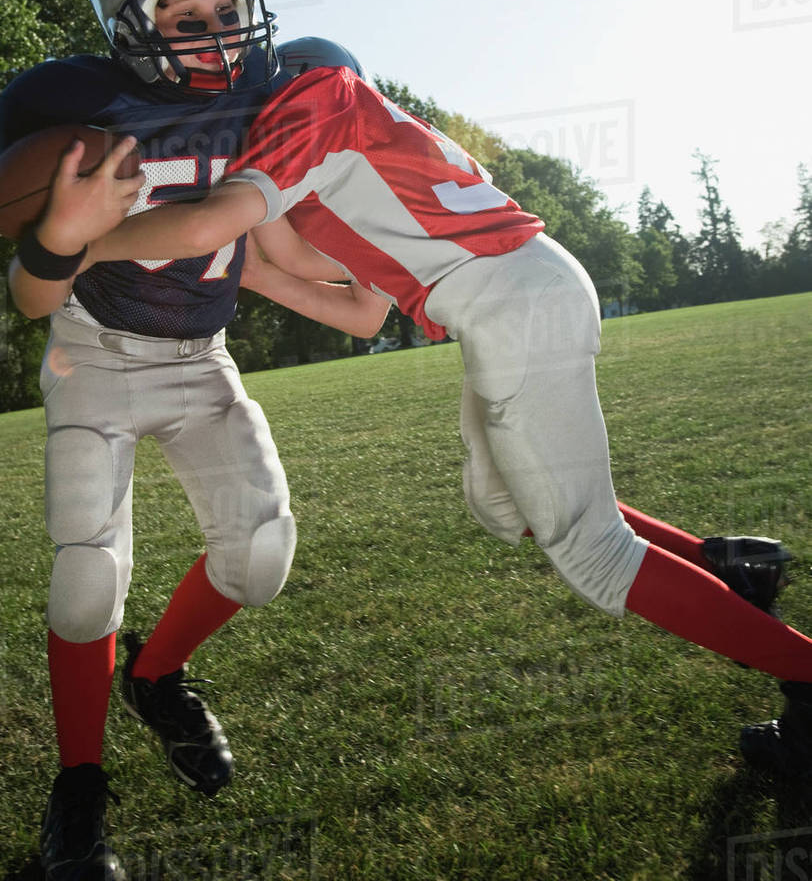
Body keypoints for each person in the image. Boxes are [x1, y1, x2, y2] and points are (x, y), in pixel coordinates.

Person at [83, 55, 812, 783]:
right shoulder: (373, 158)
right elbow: (358, 306)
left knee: (592, 551)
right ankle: (723, 564)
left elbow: (216, 218)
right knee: (499, 503)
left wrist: (76, 243)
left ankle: (803, 674)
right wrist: (247, 263)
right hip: (524, 298)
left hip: (518, 315)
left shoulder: (312, 101)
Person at [0, 0, 389, 881]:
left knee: (261, 556)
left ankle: (157, 676)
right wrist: (62, 230)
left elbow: (255, 242)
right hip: (96, 357)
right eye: (185, 16)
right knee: (88, 575)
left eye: (229, 5)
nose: (219, 35)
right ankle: (78, 790)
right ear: (129, 26)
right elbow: (31, 293)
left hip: (202, 356)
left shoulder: (277, 92)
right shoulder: (78, 113)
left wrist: (361, 282)